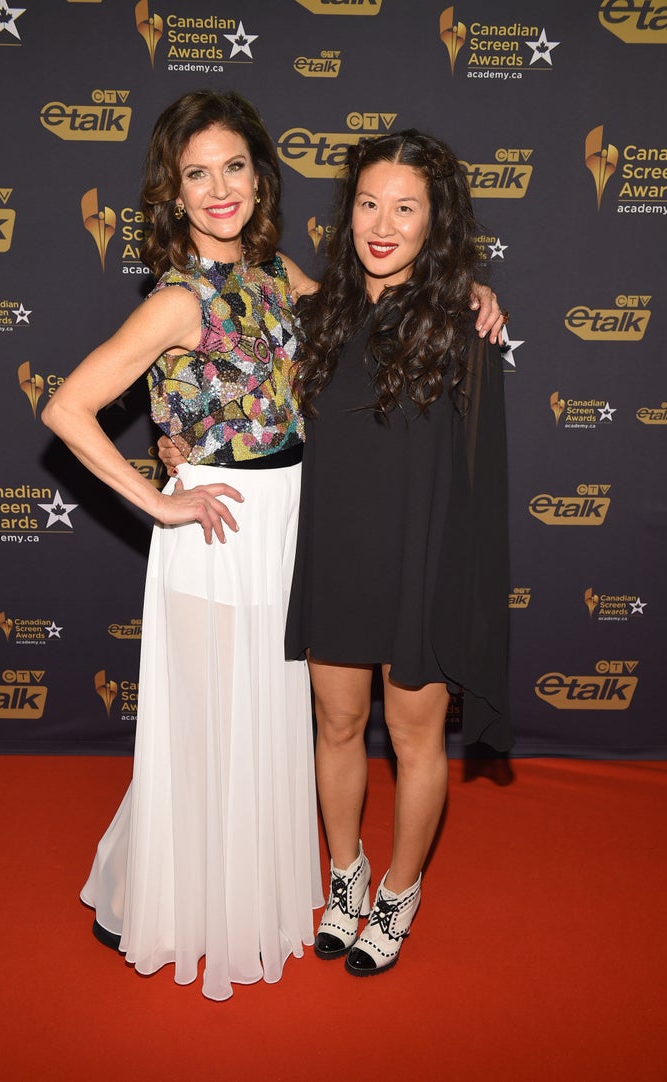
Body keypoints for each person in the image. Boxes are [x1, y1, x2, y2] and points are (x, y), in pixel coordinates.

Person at [46, 90, 504, 1001]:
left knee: (265, 729)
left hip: (297, 532)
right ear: (172, 194)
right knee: (211, 733)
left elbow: (371, 306)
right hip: (220, 539)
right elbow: (66, 407)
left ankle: (301, 890)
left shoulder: (277, 276)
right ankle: (191, 903)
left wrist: (473, 288)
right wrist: (161, 498)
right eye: (196, 174)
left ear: (261, 178)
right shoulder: (178, 300)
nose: (219, 189)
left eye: (234, 168)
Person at [283, 129, 512, 976]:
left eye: (405, 207)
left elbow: (483, 483)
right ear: (349, 215)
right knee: (337, 724)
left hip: (422, 564)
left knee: (416, 743)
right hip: (336, 553)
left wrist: (464, 592)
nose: (383, 224)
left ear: (434, 221)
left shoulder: (465, 328)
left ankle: (400, 889)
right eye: (369, 204)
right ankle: (345, 873)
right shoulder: (317, 315)